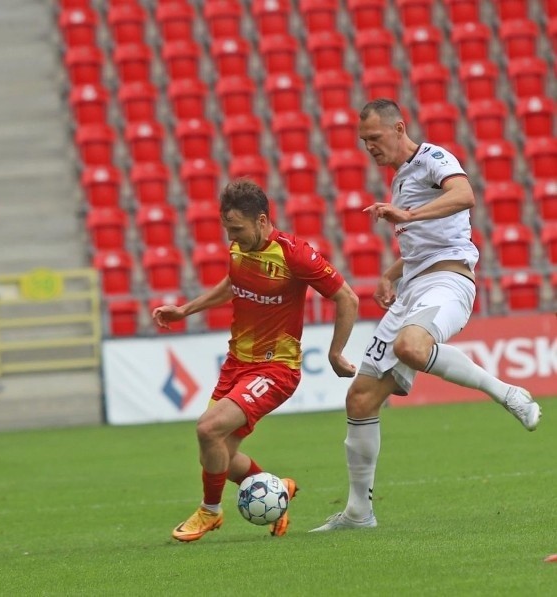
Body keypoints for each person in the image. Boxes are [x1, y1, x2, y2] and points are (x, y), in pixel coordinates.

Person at [311, 99, 542, 533]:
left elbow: (464, 194)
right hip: (415, 287)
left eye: (375, 138)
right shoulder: (400, 180)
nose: (369, 148)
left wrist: (409, 214)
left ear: (399, 128)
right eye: (363, 142)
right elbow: (426, 241)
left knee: (411, 347)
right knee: (360, 399)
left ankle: (505, 392)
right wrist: (391, 272)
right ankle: (359, 513)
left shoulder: (434, 158)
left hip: (448, 283)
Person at [153, 179, 360, 542]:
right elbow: (234, 283)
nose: (230, 237)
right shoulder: (239, 249)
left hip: (275, 367)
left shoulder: (294, 254)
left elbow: (347, 297)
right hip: (236, 364)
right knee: (216, 455)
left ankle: (210, 512)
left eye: (236, 228)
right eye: (226, 229)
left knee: (207, 429)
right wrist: (185, 310)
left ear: (262, 221)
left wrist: (335, 352)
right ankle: (276, 491)